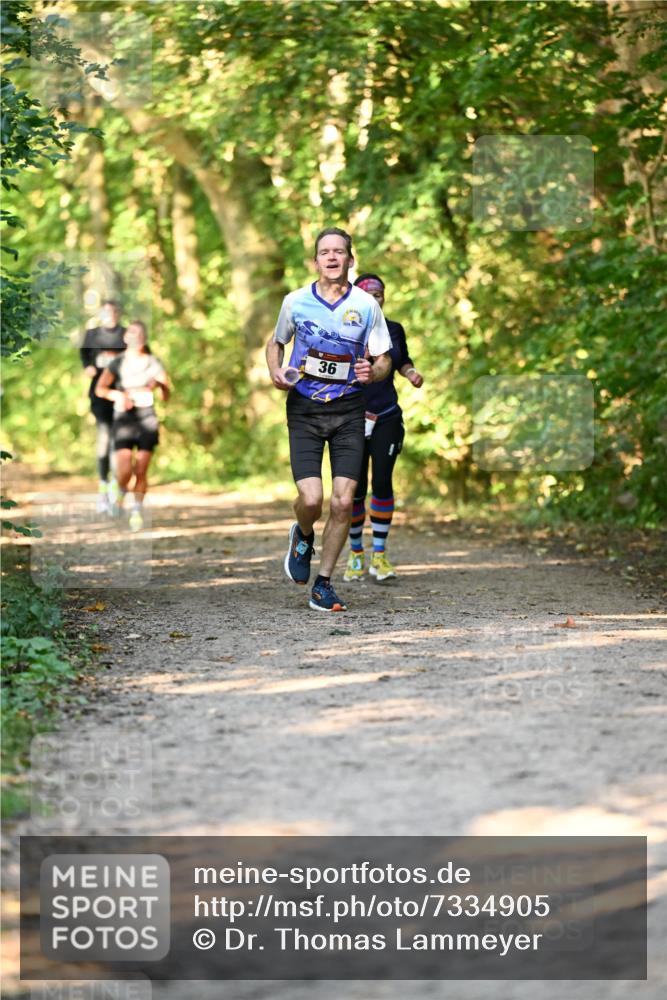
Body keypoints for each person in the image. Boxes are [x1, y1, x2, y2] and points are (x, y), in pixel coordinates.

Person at [266, 227, 392, 612]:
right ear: (316, 261)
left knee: (342, 503)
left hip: (349, 410)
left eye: (340, 252)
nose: (333, 258)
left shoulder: (367, 306)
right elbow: (276, 343)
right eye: (325, 252)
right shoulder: (296, 301)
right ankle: (303, 534)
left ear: (351, 260)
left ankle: (323, 583)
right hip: (304, 409)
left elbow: (384, 357)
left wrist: (375, 371)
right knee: (312, 498)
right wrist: (276, 372)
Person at [344, 274, 424, 582]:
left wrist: (412, 373)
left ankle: (379, 555)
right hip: (350, 418)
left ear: (384, 298)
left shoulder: (394, 329)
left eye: (379, 293)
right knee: (353, 489)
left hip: (386, 415)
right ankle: (355, 555)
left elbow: (403, 361)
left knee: (382, 482)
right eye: (368, 293)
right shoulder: (343, 328)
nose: (375, 297)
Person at [94, 321, 169, 531]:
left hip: (146, 418)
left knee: (141, 469)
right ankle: (117, 491)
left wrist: (160, 385)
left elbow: (166, 395)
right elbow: (100, 389)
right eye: (130, 332)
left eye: (137, 332)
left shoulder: (154, 362)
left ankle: (136, 510)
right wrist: (119, 395)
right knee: (125, 470)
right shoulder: (117, 362)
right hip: (124, 418)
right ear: (126, 338)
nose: (133, 335)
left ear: (143, 338)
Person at [80, 300, 126, 513]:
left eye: (114, 312)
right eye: (106, 312)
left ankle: (117, 491)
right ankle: (103, 488)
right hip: (99, 394)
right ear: (100, 314)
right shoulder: (92, 335)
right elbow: (84, 356)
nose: (111, 316)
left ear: (118, 314)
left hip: (124, 395)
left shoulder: (127, 334)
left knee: (119, 442)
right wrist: (88, 367)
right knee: (105, 437)